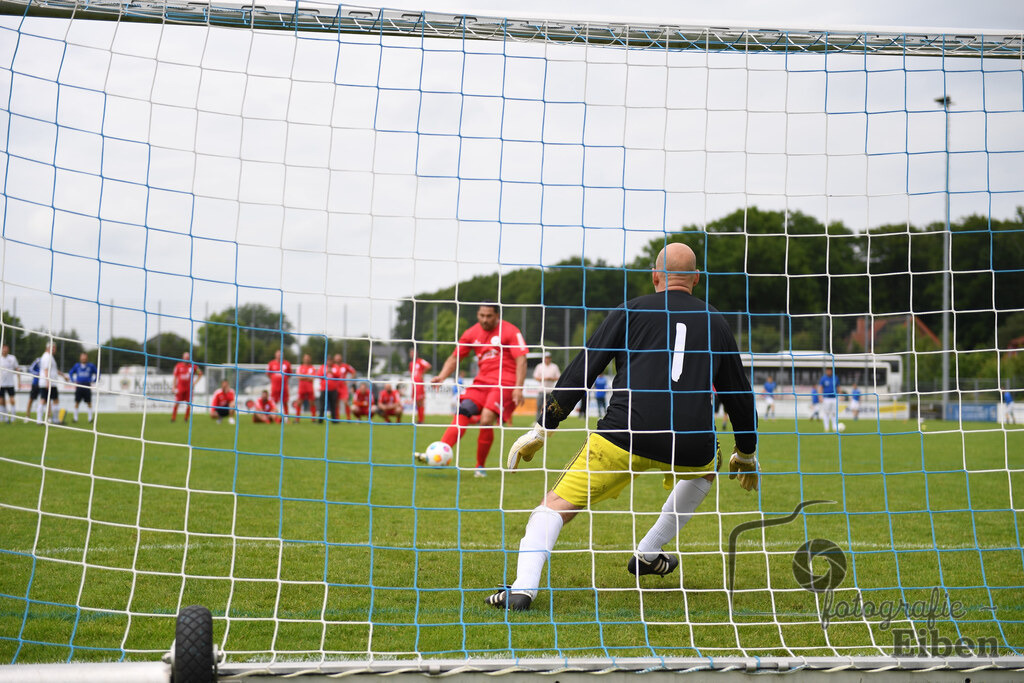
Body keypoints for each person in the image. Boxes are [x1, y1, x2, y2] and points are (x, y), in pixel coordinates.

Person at [488, 243, 758, 611]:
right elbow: (738, 393)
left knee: (552, 507)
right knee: (704, 471)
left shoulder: (630, 310)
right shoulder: (717, 321)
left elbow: (585, 367)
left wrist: (542, 428)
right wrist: (746, 451)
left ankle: (523, 588)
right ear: (696, 278)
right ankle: (649, 550)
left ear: (655, 276)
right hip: (690, 443)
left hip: (624, 434)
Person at [426, 303, 528, 477]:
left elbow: (521, 360)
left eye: (489, 316)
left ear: (497, 316)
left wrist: (518, 387)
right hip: (481, 382)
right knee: (463, 411)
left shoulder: (511, 331)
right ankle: (440, 452)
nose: (484, 320)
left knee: (486, 419)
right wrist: (441, 376)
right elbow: (454, 357)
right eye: (481, 315)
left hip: (504, 383)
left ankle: (480, 466)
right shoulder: (471, 333)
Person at [37, 341, 68, 425]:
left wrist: (63, 375)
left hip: (51, 383)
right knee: (44, 400)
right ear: (48, 348)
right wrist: (48, 381)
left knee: (53, 400)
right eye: (52, 347)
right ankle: (40, 420)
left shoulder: (50, 357)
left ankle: (53, 419)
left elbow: (54, 370)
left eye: (55, 347)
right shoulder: (47, 357)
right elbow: (46, 370)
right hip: (47, 383)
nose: (54, 349)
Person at [171, 351, 202, 422]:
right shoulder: (178, 366)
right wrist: (174, 386)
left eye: (188, 358)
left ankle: (186, 418)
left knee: (189, 404)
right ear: (183, 358)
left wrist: (194, 383)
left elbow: (200, 373)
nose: (186, 359)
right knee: (177, 403)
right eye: (185, 358)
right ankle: (173, 418)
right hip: (180, 388)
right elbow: (175, 377)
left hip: (189, 389)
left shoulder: (193, 366)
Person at [68, 352, 98, 423]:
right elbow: (70, 372)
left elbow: (98, 372)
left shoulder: (91, 366)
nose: (84, 358)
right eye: (82, 357)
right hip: (79, 386)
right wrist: (72, 380)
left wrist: (95, 380)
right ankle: (75, 418)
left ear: (87, 358)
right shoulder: (77, 365)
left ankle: (90, 419)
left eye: (85, 357)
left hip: (87, 385)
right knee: (77, 402)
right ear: (80, 358)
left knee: (89, 402)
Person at [533, 352, 561, 423]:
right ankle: (537, 421)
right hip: (541, 389)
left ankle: (550, 422)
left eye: (548, 358)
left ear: (550, 358)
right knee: (539, 406)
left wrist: (551, 379)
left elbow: (558, 377)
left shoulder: (554, 366)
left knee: (551, 407)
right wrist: (544, 378)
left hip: (551, 390)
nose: (547, 359)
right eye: (546, 358)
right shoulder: (539, 366)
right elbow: (536, 377)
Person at [266, 349, 292, 421]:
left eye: (281, 354)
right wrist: (274, 378)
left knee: (285, 402)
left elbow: (290, 374)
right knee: (273, 403)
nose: (279, 355)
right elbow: (268, 373)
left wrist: (283, 378)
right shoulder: (271, 363)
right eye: (278, 354)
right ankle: (272, 417)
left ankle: (286, 418)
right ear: (275, 355)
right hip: (275, 387)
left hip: (284, 387)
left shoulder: (287, 364)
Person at [329, 354, 357, 420]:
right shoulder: (333, 366)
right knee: (336, 403)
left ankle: (348, 418)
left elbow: (353, 372)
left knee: (345, 402)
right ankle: (337, 418)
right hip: (335, 387)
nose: (338, 359)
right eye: (336, 358)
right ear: (334, 359)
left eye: (339, 358)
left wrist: (349, 380)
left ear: (341, 358)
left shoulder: (345, 366)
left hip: (343, 387)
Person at [409, 348, 432, 424]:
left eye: (413, 353)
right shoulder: (411, 364)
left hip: (419, 384)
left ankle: (421, 419)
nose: (412, 355)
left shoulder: (420, 361)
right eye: (411, 353)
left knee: (420, 401)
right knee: (416, 401)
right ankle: (419, 419)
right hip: (414, 384)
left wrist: (422, 374)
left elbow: (428, 366)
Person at [295, 354, 318, 419]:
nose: (307, 359)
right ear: (303, 359)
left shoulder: (312, 368)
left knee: (312, 403)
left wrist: (303, 376)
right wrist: (307, 376)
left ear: (310, 359)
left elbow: (313, 378)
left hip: (310, 388)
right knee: (299, 403)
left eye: (308, 358)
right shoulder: (300, 367)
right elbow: (299, 377)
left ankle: (313, 419)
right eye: (305, 358)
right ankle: (297, 419)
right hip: (302, 388)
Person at [0, 344, 18, 423]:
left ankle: (13, 417)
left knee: (12, 400)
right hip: (1, 383)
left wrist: (19, 381)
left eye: (6, 348)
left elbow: (17, 369)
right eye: (4, 348)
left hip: (10, 383)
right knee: (1, 401)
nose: (5, 350)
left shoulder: (12, 358)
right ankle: (4, 418)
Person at [819, 366, 839, 432]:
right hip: (826, 398)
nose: (829, 371)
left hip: (834, 398)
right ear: (826, 371)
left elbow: (838, 387)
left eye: (830, 370)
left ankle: (834, 427)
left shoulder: (835, 378)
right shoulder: (823, 378)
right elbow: (821, 388)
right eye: (828, 370)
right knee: (826, 413)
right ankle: (826, 427)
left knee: (834, 413)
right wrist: (820, 396)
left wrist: (840, 395)